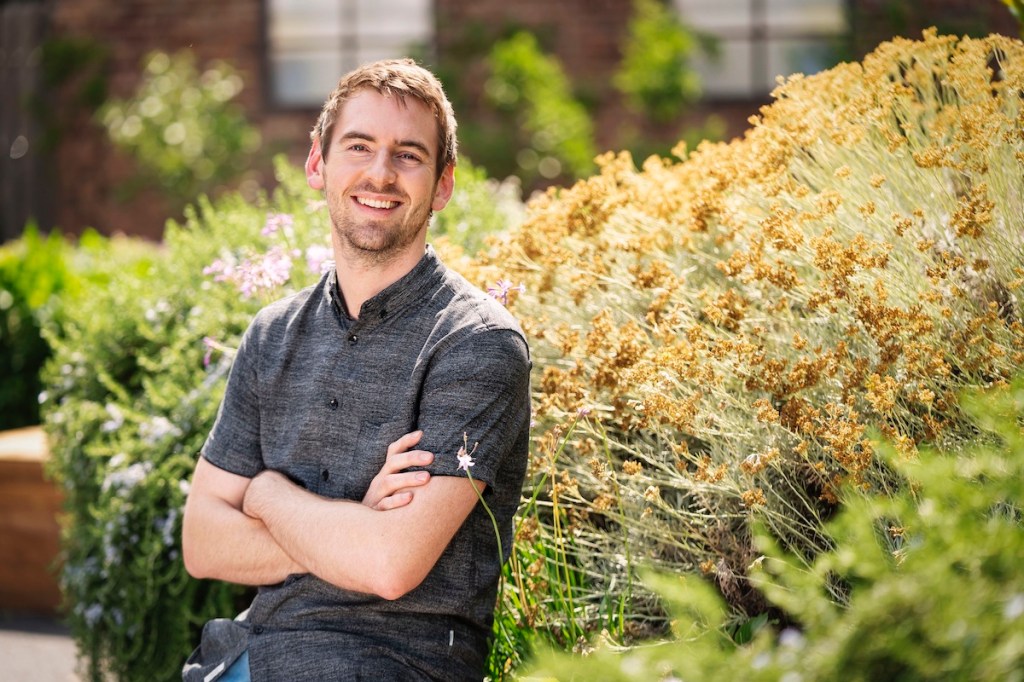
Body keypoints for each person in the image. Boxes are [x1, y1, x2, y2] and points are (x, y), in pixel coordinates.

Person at [181, 58, 531, 681]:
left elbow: (387, 566)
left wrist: (266, 495)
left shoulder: (476, 344)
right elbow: (202, 541)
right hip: (252, 659)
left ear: (443, 186)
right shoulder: (272, 334)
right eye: (360, 146)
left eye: (409, 155)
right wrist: (350, 522)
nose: (380, 173)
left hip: (393, 666)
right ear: (318, 164)